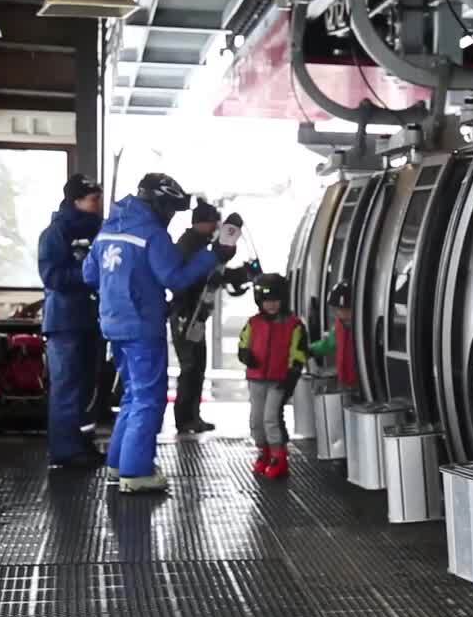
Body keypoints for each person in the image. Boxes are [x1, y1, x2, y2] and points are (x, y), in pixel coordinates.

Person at [83, 173, 241, 493]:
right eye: (170, 208)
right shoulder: (152, 234)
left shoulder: (110, 228)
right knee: (147, 400)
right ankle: (136, 472)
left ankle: (118, 464)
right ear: (159, 204)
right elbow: (176, 278)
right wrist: (216, 254)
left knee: (132, 395)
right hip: (141, 324)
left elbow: (89, 274)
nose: (170, 216)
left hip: (112, 324)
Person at [169, 200, 258, 434]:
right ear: (204, 222)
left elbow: (215, 274)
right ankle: (185, 418)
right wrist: (236, 274)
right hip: (186, 314)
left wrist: (239, 274)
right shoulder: (190, 246)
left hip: (193, 315)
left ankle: (191, 416)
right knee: (191, 366)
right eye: (213, 222)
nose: (216, 227)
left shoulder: (198, 245)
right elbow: (198, 275)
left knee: (196, 365)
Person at [38, 174, 105, 470]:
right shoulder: (55, 233)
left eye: (99, 198)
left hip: (93, 320)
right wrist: (88, 274)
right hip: (65, 322)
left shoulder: (100, 232)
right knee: (67, 386)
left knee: (88, 387)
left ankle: (83, 442)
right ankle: (64, 450)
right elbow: (52, 277)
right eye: (93, 199)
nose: (98, 204)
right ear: (76, 200)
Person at [239, 273, 307, 479]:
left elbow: (298, 353)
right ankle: (263, 451)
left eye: (275, 301)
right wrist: (246, 356)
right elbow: (243, 344)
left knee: (271, 417)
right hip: (257, 379)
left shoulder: (294, 325)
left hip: (279, 380)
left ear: (283, 300)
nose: (271, 305)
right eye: (266, 301)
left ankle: (278, 455)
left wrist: (292, 374)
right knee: (256, 420)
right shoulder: (253, 323)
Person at [309, 281, 357, 394]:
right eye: (337, 310)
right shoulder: (339, 327)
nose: (340, 313)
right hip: (344, 383)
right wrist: (309, 350)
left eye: (345, 309)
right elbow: (329, 344)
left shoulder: (361, 329)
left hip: (362, 384)